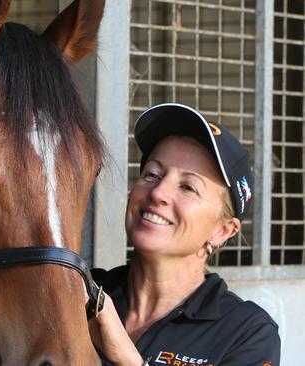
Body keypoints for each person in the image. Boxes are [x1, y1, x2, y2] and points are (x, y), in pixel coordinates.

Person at [90, 103, 281, 366]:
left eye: (188, 187)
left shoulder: (247, 333)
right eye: (152, 174)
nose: (158, 193)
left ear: (222, 230)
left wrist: (126, 360)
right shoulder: (81, 293)